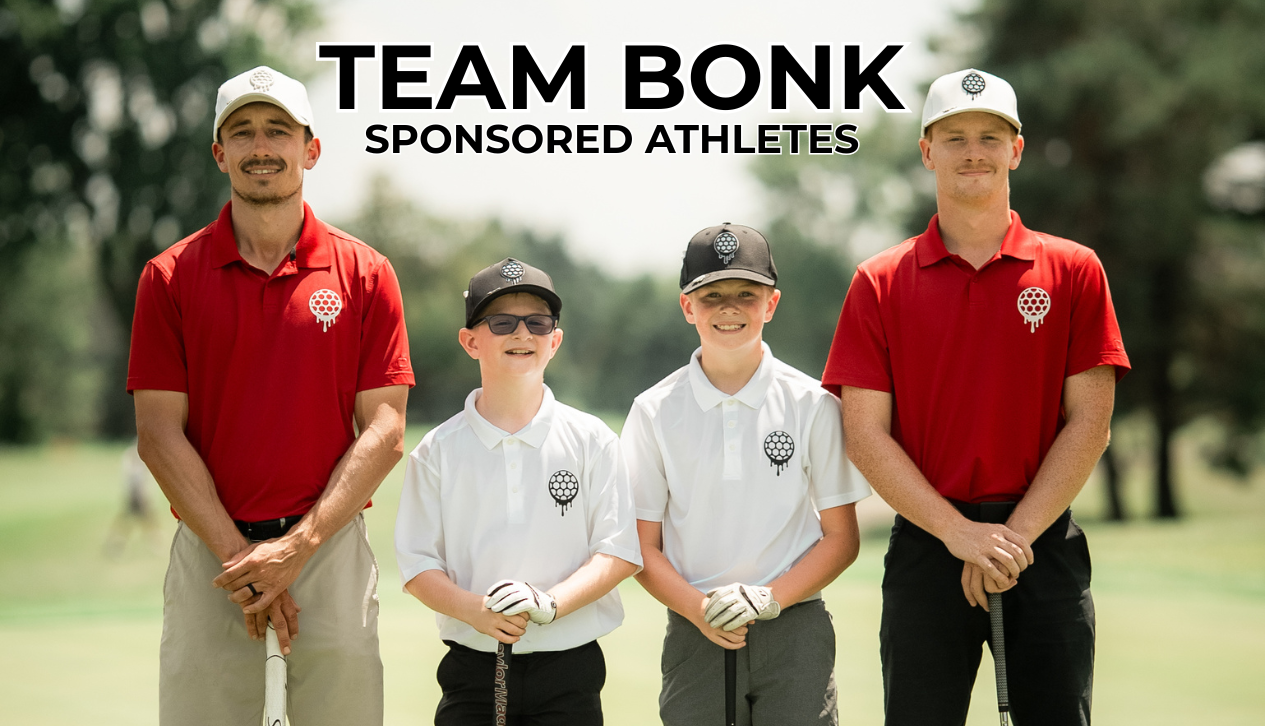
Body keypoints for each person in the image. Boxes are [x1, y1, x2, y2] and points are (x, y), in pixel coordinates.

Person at [824, 68, 1131, 726]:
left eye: (990, 136)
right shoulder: (878, 281)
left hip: (1040, 542)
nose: (973, 151)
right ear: (925, 151)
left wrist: (1007, 540)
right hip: (927, 545)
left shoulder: (1074, 270)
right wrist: (958, 534)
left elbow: (1090, 422)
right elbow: (864, 434)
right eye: (954, 136)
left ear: (1015, 150)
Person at [128, 65, 413, 725]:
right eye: (243, 132)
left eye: (278, 131)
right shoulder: (168, 278)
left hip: (329, 550)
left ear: (309, 149)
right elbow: (158, 432)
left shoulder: (366, 273)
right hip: (212, 554)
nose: (261, 147)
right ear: (218, 152)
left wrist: (296, 550)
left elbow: (385, 429)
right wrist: (242, 559)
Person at [622, 224, 870, 726]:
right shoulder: (653, 411)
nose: (729, 307)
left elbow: (841, 538)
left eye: (745, 294)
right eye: (711, 295)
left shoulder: (813, 404)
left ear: (771, 304)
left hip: (794, 625)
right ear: (687, 307)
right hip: (697, 627)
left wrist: (770, 599)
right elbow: (641, 548)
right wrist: (697, 608)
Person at [396, 258, 642, 726]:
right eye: (501, 323)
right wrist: (477, 612)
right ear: (470, 341)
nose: (522, 334)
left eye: (538, 322)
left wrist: (550, 605)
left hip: (570, 664)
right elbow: (417, 566)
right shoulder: (438, 450)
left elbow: (618, 552)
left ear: (556, 340)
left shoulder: (591, 439)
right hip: (472, 666)